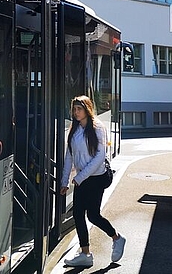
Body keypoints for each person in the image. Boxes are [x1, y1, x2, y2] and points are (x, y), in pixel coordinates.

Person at [60, 95, 126, 268]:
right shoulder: (74, 129)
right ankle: (85, 253)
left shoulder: (98, 127)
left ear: (87, 109)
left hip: (96, 178)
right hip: (83, 179)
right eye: (74, 109)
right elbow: (69, 156)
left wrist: (80, 177)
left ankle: (117, 238)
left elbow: (99, 157)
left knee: (93, 216)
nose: (75, 112)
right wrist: (64, 181)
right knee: (78, 214)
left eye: (79, 109)